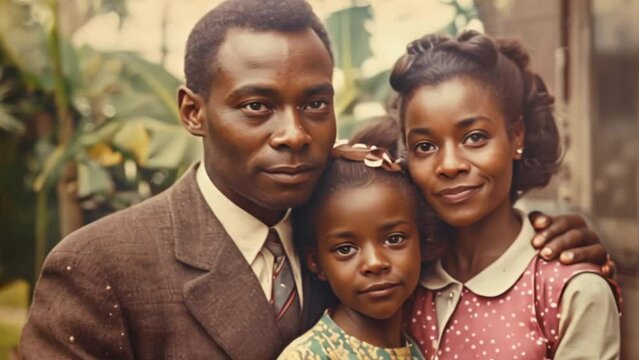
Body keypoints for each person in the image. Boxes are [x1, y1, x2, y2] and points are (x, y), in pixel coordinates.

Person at [19, 0, 611, 358]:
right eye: (256, 106)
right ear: (193, 112)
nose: (294, 134)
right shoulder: (104, 267)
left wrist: (557, 241)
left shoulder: (353, 222)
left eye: (315, 104)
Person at [387, 31, 621, 359]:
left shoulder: (570, 292)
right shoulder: (396, 281)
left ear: (516, 136)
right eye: (425, 146)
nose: (449, 165)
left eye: (475, 137)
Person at [279, 144, 429, 359]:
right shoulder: (308, 356)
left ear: (421, 242)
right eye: (345, 249)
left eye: (394, 239)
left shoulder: (418, 347)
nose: (375, 263)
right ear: (317, 263)